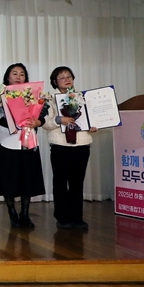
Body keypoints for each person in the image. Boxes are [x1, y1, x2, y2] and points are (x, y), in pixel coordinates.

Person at [42, 66, 98, 229]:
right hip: (60, 146)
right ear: (55, 82)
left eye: (69, 76)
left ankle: (77, 217)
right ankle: (62, 217)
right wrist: (59, 120)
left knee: (77, 183)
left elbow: (91, 119)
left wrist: (93, 126)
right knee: (60, 182)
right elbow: (45, 123)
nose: (67, 79)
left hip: (81, 145)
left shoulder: (83, 98)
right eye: (62, 77)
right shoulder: (50, 100)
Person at [0, 63, 46, 228]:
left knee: (28, 178)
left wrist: (36, 121)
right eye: (14, 73)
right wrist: (11, 124)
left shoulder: (33, 94)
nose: (18, 77)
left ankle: (25, 213)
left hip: (28, 140)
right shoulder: (1, 93)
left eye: (22, 74)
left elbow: (42, 114)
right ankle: (12, 212)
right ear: (8, 77)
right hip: (8, 141)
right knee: (8, 179)